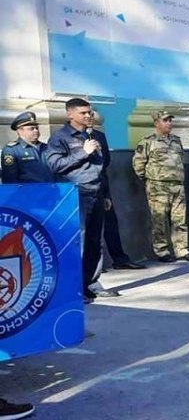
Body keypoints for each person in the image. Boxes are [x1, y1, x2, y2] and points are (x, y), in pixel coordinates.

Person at [46, 98, 118, 299]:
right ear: (70, 114)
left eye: (90, 112)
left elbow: (101, 169)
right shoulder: (60, 138)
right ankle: (74, 289)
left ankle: (91, 283)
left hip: (96, 193)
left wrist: (106, 194)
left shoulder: (93, 136)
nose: (88, 116)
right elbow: (54, 165)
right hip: (75, 195)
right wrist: (82, 152)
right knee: (79, 242)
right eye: (83, 113)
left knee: (96, 241)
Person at [132, 110, 189, 263]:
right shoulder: (148, 141)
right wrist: (150, 179)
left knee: (180, 220)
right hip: (158, 187)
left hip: (177, 186)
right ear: (156, 123)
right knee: (159, 220)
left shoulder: (176, 140)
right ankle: (162, 251)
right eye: (165, 120)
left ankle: (182, 250)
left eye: (170, 120)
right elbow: (138, 163)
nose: (169, 123)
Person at [3, 111, 54, 183]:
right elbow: (10, 179)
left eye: (37, 128)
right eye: (31, 129)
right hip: (28, 192)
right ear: (20, 131)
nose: (36, 131)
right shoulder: (12, 150)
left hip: (50, 191)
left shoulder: (46, 147)